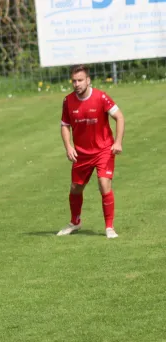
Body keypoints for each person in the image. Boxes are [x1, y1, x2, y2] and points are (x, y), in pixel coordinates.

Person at [58, 64, 125, 238]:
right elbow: (65, 125)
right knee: (75, 188)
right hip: (81, 154)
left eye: (80, 80)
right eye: (74, 81)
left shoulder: (101, 97)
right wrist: (68, 146)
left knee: (104, 184)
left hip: (103, 150)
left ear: (88, 80)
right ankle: (75, 222)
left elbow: (119, 117)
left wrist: (117, 142)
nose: (77, 84)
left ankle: (109, 227)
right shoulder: (68, 101)